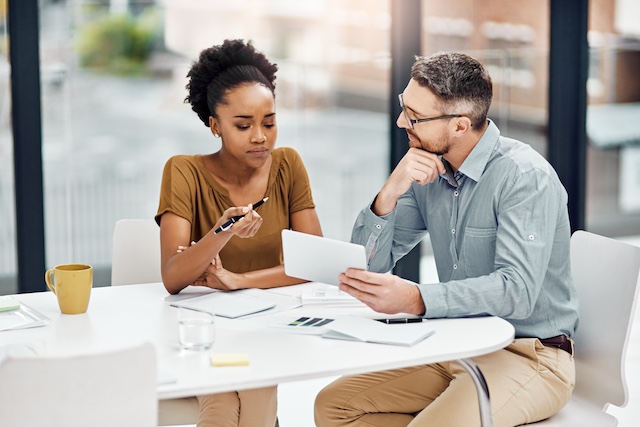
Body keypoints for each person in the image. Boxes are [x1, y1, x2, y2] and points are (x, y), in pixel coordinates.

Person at [314, 51, 579, 427]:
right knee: (333, 405)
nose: (401, 121)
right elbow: (369, 264)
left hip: (530, 356)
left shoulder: (524, 177)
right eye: (404, 107)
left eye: (415, 117)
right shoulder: (428, 170)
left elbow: (517, 291)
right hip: (458, 344)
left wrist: (416, 298)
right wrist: (389, 192)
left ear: (459, 125)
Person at [156, 39, 322, 427]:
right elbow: (173, 277)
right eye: (244, 126)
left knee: (256, 387)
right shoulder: (183, 171)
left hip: (266, 327)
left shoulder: (288, 165)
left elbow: (314, 263)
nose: (261, 137)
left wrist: (237, 281)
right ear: (215, 125)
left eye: (269, 122)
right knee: (222, 408)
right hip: (201, 329)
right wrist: (222, 230)